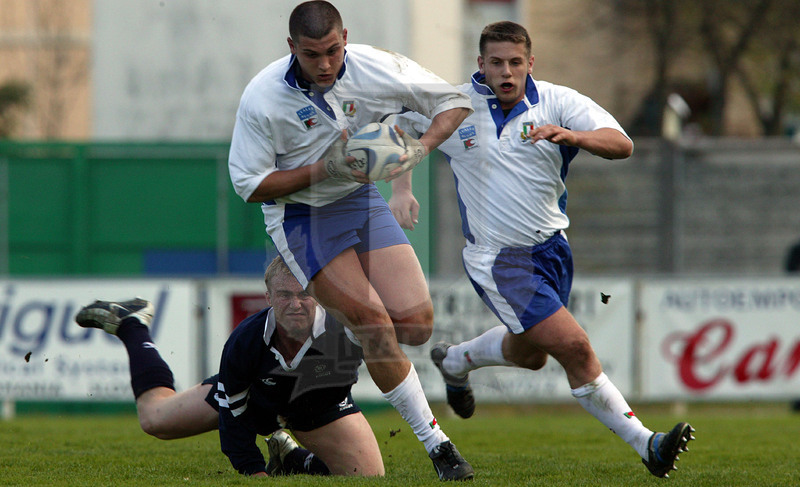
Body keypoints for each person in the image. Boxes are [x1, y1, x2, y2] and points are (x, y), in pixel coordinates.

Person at [391, 21, 695, 479]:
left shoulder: (557, 101)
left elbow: (622, 144)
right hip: (498, 260)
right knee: (574, 346)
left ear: (530, 63)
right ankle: (648, 444)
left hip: (552, 250)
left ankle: (455, 361)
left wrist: (574, 137)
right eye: (496, 63)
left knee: (531, 354)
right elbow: (400, 124)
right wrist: (401, 189)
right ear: (481, 64)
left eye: (515, 62)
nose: (506, 72)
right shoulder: (454, 105)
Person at [227, 1, 474, 481]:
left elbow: (455, 102)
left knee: (416, 326)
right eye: (311, 54)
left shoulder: (378, 66)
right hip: (301, 215)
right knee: (375, 324)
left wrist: (417, 151)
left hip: (360, 201)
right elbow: (250, 186)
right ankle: (440, 448)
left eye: (333, 51)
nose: (324, 64)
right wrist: (326, 168)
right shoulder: (262, 97)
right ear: (291, 48)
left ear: (347, 37)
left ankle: (296, 371)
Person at [74, 256, 384, 477]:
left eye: (304, 294)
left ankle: (292, 458)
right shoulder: (245, 341)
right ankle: (132, 324)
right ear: (268, 297)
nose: (295, 303)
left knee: (368, 476)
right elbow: (232, 421)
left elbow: (346, 379)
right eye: (284, 295)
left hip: (316, 408)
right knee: (154, 419)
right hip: (254, 400)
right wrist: (254, 471)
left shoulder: (342, 332)